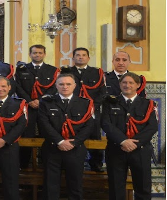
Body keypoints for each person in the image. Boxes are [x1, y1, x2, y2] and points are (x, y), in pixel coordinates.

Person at [38, 73, 95, 200]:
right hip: (52, 148)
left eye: (68, 84)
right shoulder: (46, 102)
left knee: (75, 184)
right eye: (61, 84)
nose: (65, 87)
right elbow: (44, 124)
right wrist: (59, 141)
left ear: (75, 86)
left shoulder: (85, 103)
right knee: (50, 185)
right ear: (56, 85)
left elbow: (89, 126)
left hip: (75, 149)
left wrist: (74, 143)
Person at [102, 72, 157, 200]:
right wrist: (123, 141)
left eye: (131, 83)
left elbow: (152, 127)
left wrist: (134, 144)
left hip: (140, 150)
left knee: (143, 187)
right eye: (124, 83)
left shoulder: (148, 104)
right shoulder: (110, 103)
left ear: (138, 85)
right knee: (116, 187)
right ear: (119, 84)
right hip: (116, 149)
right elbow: (106, 124)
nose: (127, 85)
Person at [13, 44, 58, 168]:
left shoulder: (52, 70)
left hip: (45, 107)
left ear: (44, 54)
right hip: (27, 107)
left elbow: (55, 88)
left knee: (47, 133)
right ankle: (24, 164)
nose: (37, 55)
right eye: (34, 53)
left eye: (40, 53)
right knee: (26, 134)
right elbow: (18, 87)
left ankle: (45, 163)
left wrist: (40, 101)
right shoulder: (22, 69)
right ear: (30, 54)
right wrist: (29, 100)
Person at [69, 47, 107, 172]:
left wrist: (93, 106)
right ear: (73, 58)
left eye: (83, 55)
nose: (80, 57)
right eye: (78, 55)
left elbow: (102, 92)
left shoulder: (97, 73)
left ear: (88, 58)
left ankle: (96, 164)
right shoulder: (66, 72)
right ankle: (72, 163)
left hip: (92, 111)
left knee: (95, 136)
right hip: (72, 111)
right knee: (72, 135)